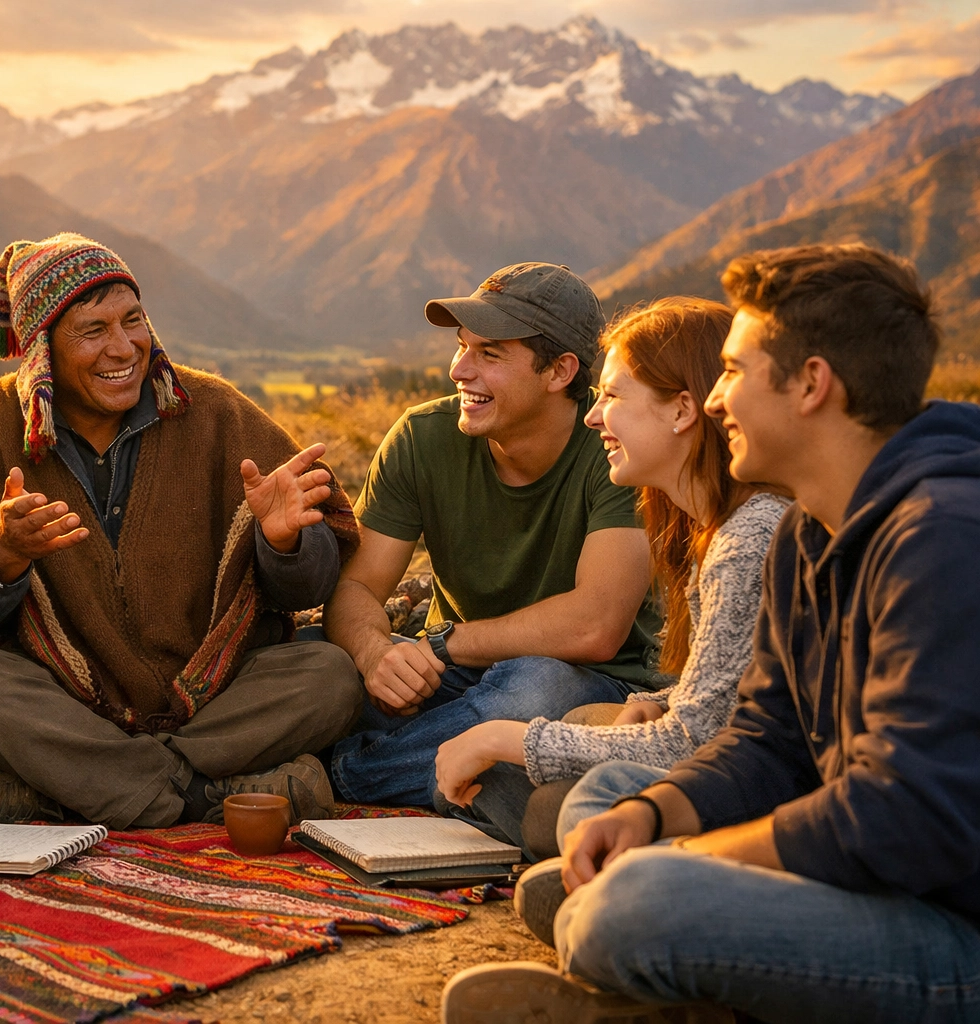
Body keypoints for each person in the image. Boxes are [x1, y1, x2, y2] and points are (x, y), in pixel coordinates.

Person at [441, 245, 980, 1024]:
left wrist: (691, 858)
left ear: (810, 385)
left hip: (955, 923)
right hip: (879, 878)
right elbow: (766, 739)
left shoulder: (943, 541)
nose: (716, 398)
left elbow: (907, 819)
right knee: (617, 827)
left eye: (732, 371)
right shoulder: (810, 534)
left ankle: (658, 971)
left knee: (633, 905)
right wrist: (653, 816)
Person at [0, 233, 363, 830]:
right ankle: (201, 794)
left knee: (329, 676)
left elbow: (310, 588)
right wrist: (2, 553)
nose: (123, 347)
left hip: (220, 704)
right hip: (65, 707)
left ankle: (75, 793)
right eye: (93, 331)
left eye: (134, 320)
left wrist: (284, 544)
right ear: (42, 349)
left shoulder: (219, 413)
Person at [432, 299, 787, 865]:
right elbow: (744, 692)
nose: (594, 417)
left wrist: (506, 738)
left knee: (555, 802)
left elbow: (695, 744)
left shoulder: (748, 540)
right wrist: (663, 700)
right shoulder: (710, 534)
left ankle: (636, 877)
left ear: (682, 410)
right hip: (728, 772)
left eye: (613, 396)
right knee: (556, 788)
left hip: (772, 797)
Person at [324, 263, 662, 813]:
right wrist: (376, 653)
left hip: (587, 683)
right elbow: (356, 587)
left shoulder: (615, 448)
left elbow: (595, 628)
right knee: (315, 664)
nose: (459, 369)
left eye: (490, 354)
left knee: (534, 688)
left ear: (559, 371)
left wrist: (440, 644)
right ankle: (459, 779)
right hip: (454, 677)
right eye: (462, 347)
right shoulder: (421, 437)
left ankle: (344, 775)